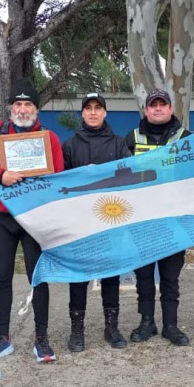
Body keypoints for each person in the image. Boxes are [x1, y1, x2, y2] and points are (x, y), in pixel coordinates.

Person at [0, 79, 64, 363]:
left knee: (38, 277)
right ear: (11, 107)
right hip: (2, 217)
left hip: (34, 219)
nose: (23, 109)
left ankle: (41, 339)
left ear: (36, 109)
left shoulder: (49, 138)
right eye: (18, 104)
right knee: (2, 276)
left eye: (28, 104)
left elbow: (58, 176)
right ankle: (3, 338)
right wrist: (1, 175)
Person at [62, 93, 132, 352]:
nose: (93, 113)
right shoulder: (69, 145)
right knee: (78, 275)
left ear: (105, 113)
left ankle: (111, 327)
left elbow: (128, 178)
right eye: (88, 108)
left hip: (110, 217)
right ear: (82, 114)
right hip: (80, 221)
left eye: (98, 108)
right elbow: (61, 181)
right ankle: (76, 329)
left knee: (111, 273)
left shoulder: (119, 143)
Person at [123, 88, 192, 346]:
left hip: (174, 222)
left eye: (163, 104)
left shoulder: (187, 138)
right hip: (142, 221)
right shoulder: (130, 139)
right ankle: (147, 322)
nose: (158, 109)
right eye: (153, 105)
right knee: (144, 277)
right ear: (146, 110)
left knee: (170, 277)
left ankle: (171, 325)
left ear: (171, 109)